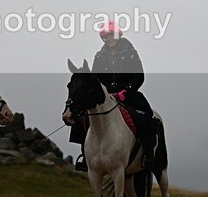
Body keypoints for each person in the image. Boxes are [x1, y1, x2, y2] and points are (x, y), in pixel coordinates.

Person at [67, 20, 156, 171]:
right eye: (106, 37)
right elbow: (95, 80)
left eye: (111, 35)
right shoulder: (99, 56)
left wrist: (126, 91)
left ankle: (149, 154)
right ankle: (85, 156)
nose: (109, 39)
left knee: (145, 116)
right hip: (106, 97)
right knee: (83, 117)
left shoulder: (131, 54)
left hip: (128, 95)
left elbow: (139, 77)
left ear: (118, 35)